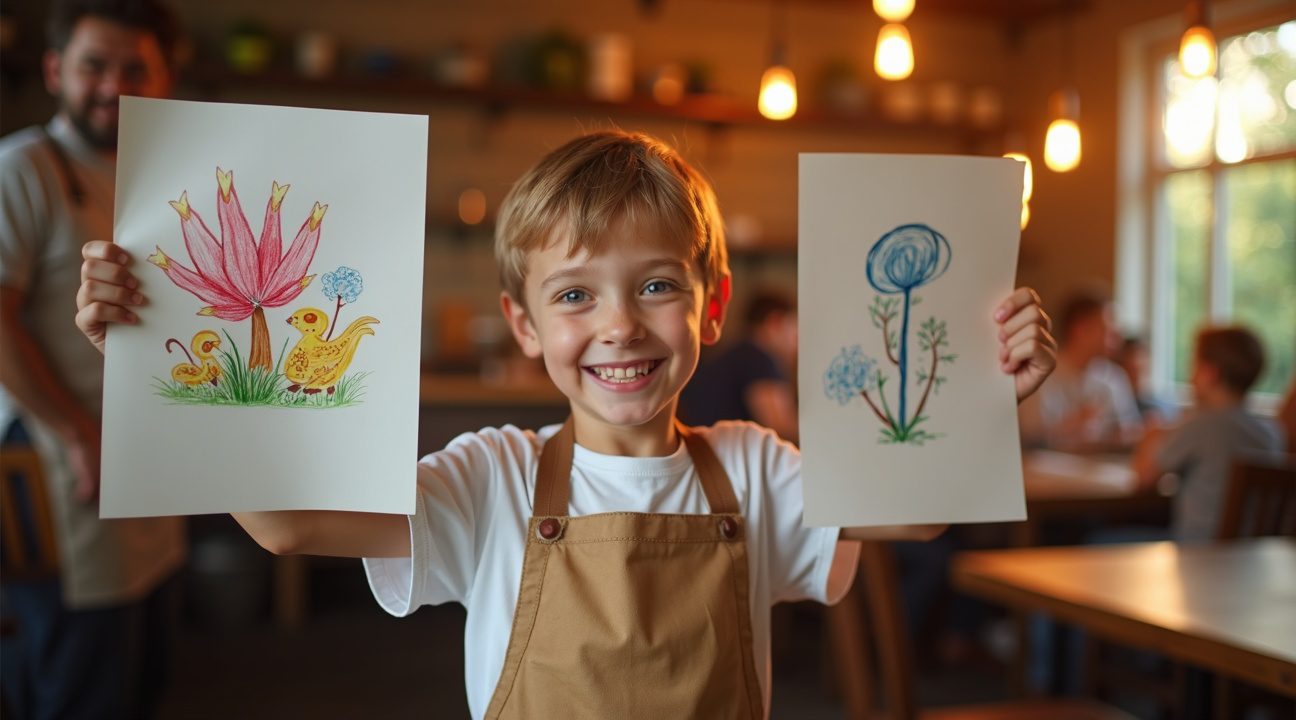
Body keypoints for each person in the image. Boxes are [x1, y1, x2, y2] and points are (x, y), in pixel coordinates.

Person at [74, 131, 1057, 718]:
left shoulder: (757, 472)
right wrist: (154, 346)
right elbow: (288, 526)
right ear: (526, 327)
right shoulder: (489, 477)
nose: (621, 323)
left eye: (658, 285)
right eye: (576, 294)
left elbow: (914, 518)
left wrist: (981, 394)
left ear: (712, 311)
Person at [0, 1, 185, 717]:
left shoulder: (161, 176)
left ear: (165, 77)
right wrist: (79, 433)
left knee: (145, 672)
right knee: (80, 677)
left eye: (134, 67)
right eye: (92, 66)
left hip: (146, 464)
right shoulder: (24, 170)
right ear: (54, 72)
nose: (113, 85)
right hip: (63, 462)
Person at [1133, 326, 1286, 543]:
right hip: (1251, 560)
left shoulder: (1200, 425)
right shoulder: (1272, 433)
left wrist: (1150, 433)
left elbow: (1144, 479)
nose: (1191, 377)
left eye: (1194, 366)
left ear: (1210, 373)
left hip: (1198, 558)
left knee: (1097, 539)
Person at [1018, 288, 1141, 452]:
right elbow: (1029, 440)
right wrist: (1071, 427)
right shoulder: (1039, 373)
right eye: (1107, 329)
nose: (1117, 337)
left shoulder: (1114, 378)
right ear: (1081, 329)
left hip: (1103, 471)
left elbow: (1132, 431)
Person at [679, 288, 799, 442]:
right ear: (774, 322)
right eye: (795, 331)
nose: (797, 343)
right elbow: (780, 427)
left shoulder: (736, 354)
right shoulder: (758, 359)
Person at [1115, 334, 1176, 425]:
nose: (1140, 364)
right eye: (1134, 368)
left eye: (1143, 360)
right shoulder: (1116, 407)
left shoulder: (1156, 407)